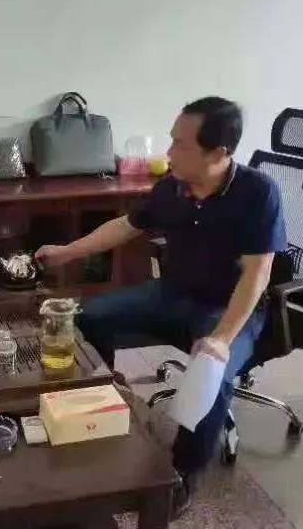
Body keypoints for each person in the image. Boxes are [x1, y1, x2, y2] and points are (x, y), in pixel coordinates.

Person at [36, 97, 287, 517]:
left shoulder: (257, 192)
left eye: (180, 144)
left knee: (212, 373)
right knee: (90, 316)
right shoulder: (173, 187)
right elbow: (125, 226)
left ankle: (181, 474)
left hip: (229, 308)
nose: (169, 152)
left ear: (219, 153)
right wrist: (65, 251)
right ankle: (107, 401)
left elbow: (256, 275)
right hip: (173, 293)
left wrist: (222, 338)